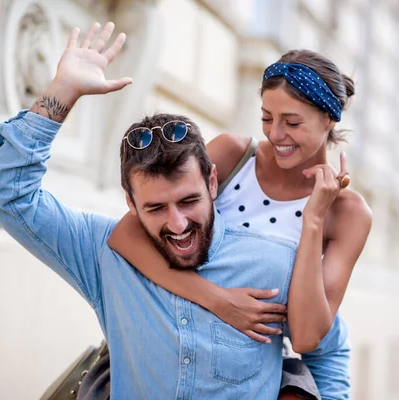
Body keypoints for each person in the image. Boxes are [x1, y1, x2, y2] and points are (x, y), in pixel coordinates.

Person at [0, 22, 350, 399]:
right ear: (130, 203)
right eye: (155, 208)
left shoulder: (277, 264)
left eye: (188, 202)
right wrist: (61, 93)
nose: (177, 224)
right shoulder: (105, 256)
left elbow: (326, 347)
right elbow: (6, 195)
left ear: (212, 183)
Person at [107, 22, 372, 398]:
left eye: (291, 122)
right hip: (177, 338)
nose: (275, 134)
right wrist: (219, 300)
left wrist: (313, 220)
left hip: (251, 371)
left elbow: (309, 335)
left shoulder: (348, 213)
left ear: (329, 119)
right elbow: (126, 235)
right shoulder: (233, 155)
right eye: (267, 118)